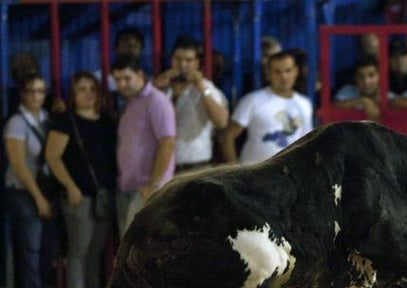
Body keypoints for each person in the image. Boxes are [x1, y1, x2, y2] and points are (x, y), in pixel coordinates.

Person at [44, 71, 117, 288]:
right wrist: (70, 186)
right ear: (73, 95)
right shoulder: (66, 121)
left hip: (103, 196)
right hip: (79, 196)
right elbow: (52, 157)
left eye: (92, 89)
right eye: (82, 89)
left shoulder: (106, 120)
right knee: (79, 250)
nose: (88, 94)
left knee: (95, 250)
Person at [3, 73, 57, 288]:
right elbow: (18, 165)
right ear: (22, 94)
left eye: (40, 91)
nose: (36, 96)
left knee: (47, 247)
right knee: (31, 247)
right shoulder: (16, 123)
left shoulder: (46, 118)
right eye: (31, 91)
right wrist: (38, 197)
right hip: (24, 192)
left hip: (43, 190)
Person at [111, 55, 175, 237]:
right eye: (117, 79)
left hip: (146, 189)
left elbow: (167, 143)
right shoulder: (132, 104)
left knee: (140, 251)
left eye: (126, 78)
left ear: (140, 75)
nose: (122, 84)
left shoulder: (156, 101)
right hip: (130, 187)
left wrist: (153, 185)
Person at [221, 50, 313, 165]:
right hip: (255, 174)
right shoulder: (253, 100)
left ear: (296, 72)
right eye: (277, 72)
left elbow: (307, 141)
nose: (284, 76)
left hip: (291, 174)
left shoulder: (304, 104)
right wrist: (233, 168)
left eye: (288, 71)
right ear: (268, 74)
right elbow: (227, 136)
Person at [152, 35, 229, 172]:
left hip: (196, 166)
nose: (182, 65)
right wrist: (155, 88)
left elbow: (221, 122)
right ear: (171, 60)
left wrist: (201, 88)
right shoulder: (162, 88)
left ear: (197, 63)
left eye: (188, 60)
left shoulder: (207, 88)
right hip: (162, 167)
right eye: (178, 59)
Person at [332, 56, 382, 120]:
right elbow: (333, 106)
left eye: (371, 75)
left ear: (379, 76)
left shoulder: (386, 95)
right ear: (355, 78)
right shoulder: (348, 91)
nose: (366, 82)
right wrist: (363, 101)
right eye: (361, 77)